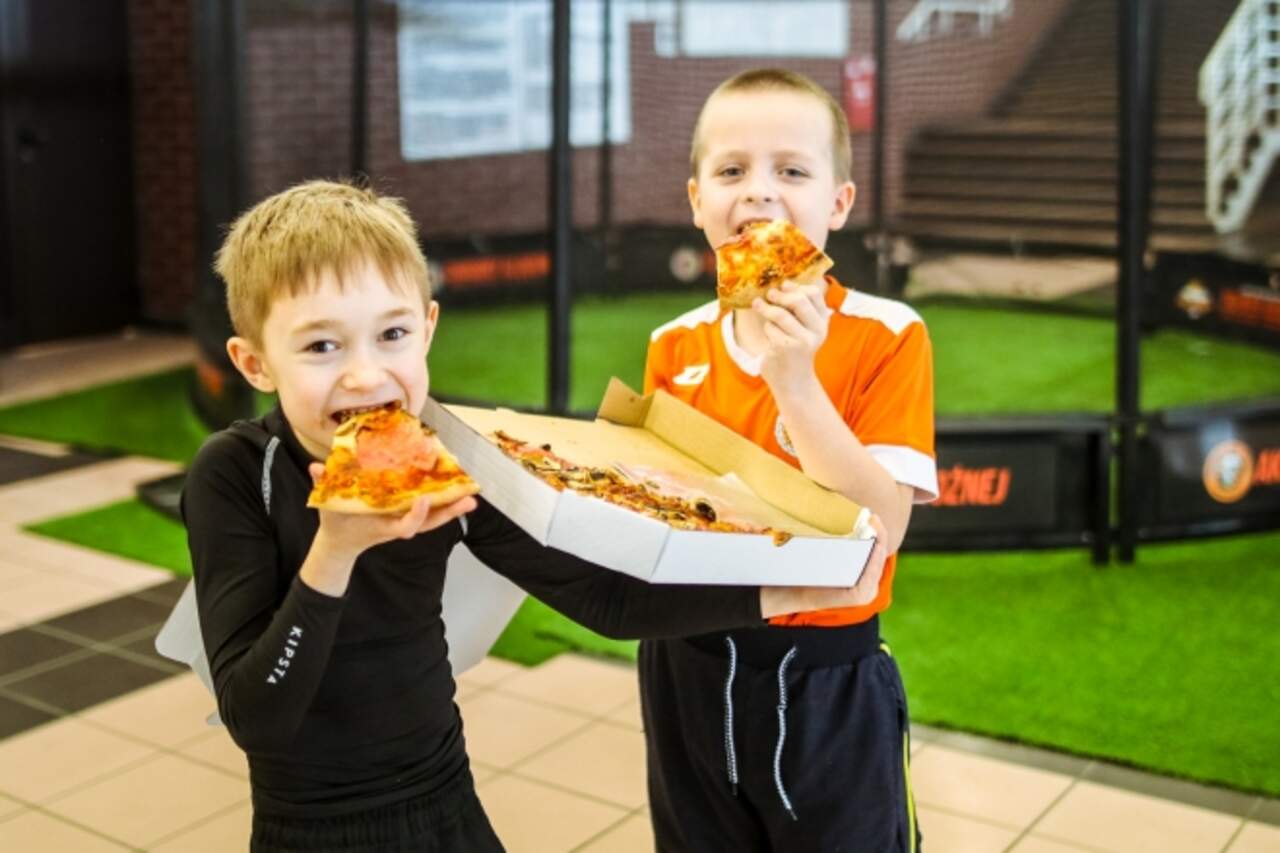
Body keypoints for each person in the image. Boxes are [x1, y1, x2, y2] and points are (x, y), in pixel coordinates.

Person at [184, 179, 890, 852]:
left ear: (427, 329)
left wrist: (792, 592)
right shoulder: (237, 473)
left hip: (445, 804)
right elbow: (257, 718)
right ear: (255, 363)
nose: (365, 375)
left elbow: (606, 599)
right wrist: (335, 550)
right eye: (321, 346)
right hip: (308, 829)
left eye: (391, 334)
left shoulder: (446, 454)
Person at [640, 69, 938, 852]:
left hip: (825, 674)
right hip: (685, 660)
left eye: (792, 170)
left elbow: (885, 526)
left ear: (838, 202)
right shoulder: (673, 344)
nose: (759, 192)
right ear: (697, 200)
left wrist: (794, 380)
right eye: (731, 170)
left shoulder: (887, 334)